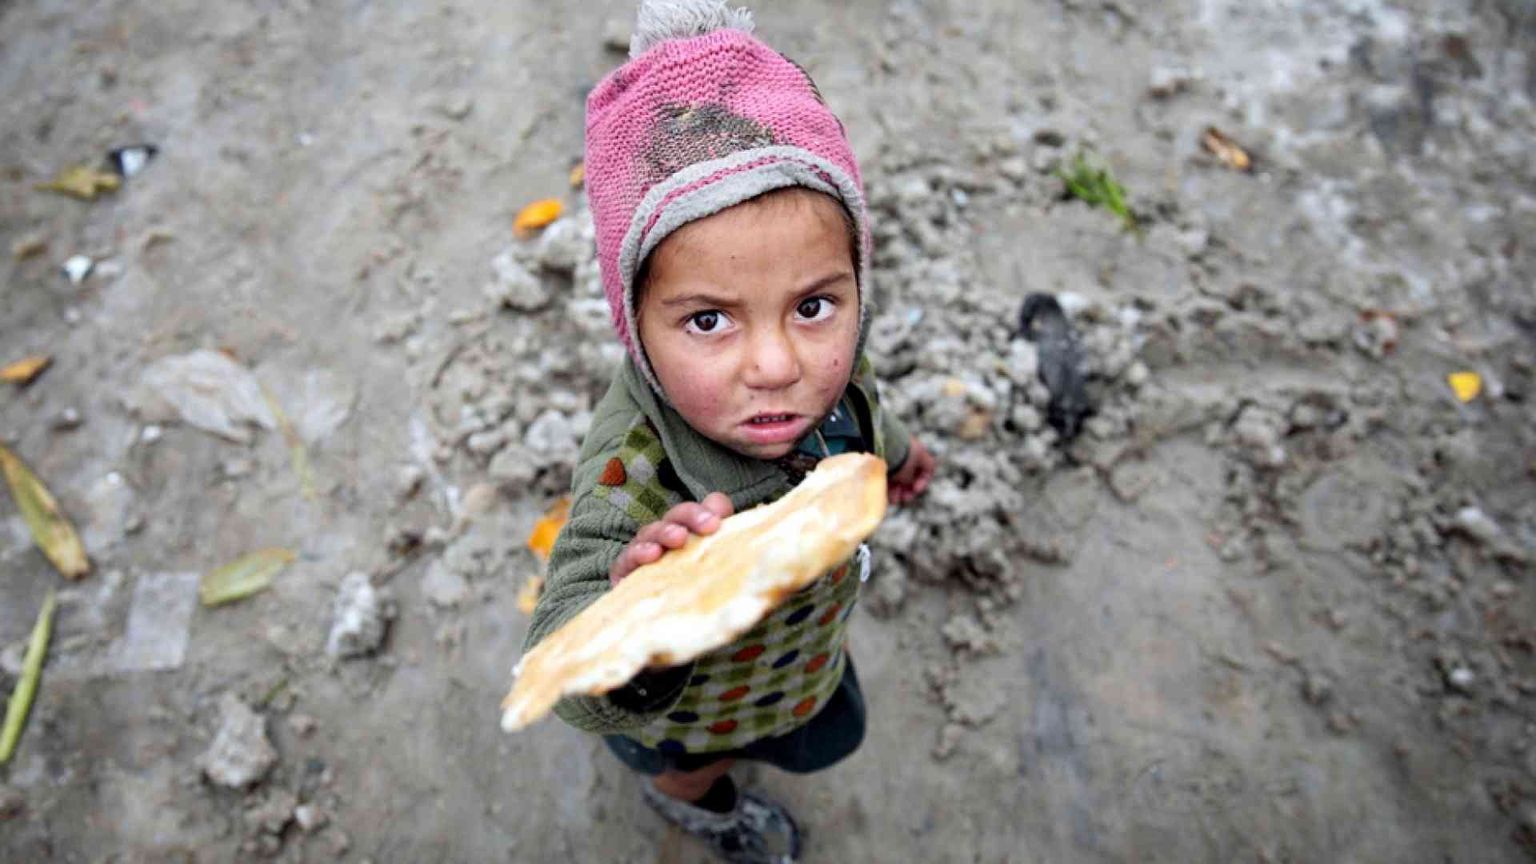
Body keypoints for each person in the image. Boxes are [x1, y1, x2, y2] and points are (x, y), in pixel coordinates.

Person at [522, 2, 936, 861]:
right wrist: (641, 621)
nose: (779, 365)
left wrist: (895, 453)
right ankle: (696, 802)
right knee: (691, 762)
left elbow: (861, 407)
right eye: (710, 321)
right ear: (635, 323)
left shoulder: (835, 366)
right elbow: (564, 663)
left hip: (796, 661)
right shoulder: (633, 471)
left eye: (814, 305)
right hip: (693, 707)